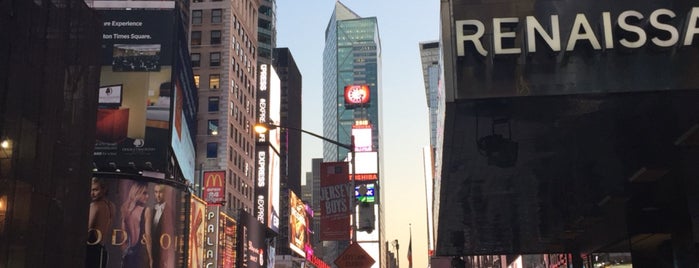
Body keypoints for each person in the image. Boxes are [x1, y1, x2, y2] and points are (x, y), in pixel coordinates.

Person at [120, 181, 153, 268]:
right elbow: (148, 237)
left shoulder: (125, 210)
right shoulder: (146, 211)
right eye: (144, 193)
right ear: (137, 193)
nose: (147, 196)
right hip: (141, 255)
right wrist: (151, 258)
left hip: (128, 254)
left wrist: (124, 253)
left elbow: (123, 237)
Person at [87, 177, 116, 268]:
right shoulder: (112, 206)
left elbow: (87, 232)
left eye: (95, 190)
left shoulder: (95, 206)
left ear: (104, 189)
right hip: (102, 251)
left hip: (91, 251)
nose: (92, 193)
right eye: (91, 190)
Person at [151, 184, 174, 268]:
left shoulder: (170, 212)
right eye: (156, 192)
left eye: (160, 192)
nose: (158, 195)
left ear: (165, 193)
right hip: (151, 253)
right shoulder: (152, 209)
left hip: (162, 255)